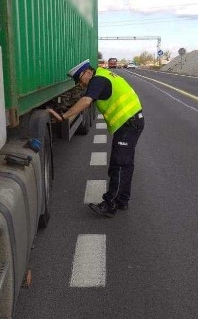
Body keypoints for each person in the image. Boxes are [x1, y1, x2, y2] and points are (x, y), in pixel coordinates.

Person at [48, 59, 144, 217]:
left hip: (129, 123)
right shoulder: (104, 75)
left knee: (119, 164)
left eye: (80, 79)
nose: (80, 84)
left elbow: (86, 101)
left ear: (88, 73)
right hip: (131, 122)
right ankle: (122, 200)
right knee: (126, 165)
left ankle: (110, 204)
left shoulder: (98, 79)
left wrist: (63, 116)